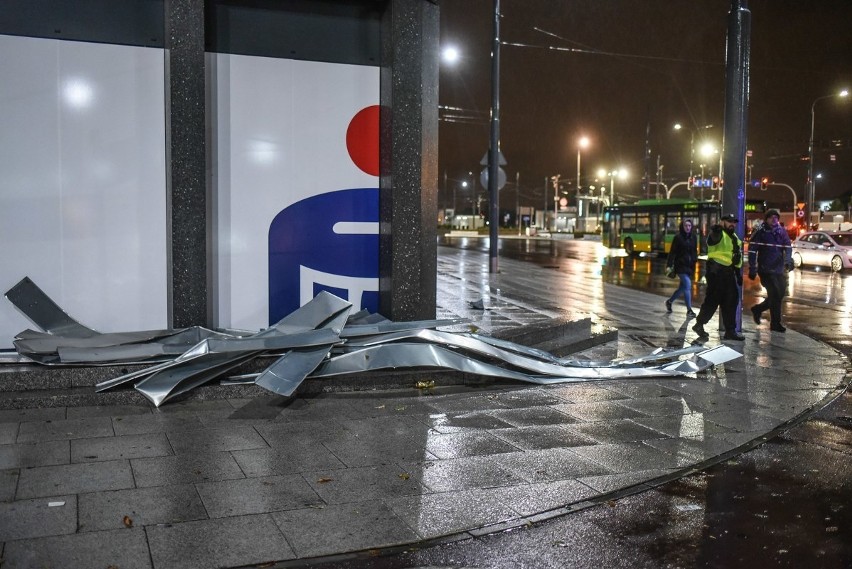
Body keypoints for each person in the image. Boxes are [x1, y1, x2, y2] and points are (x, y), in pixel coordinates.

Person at [692, 213, 745, 341]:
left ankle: (730, 331)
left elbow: (736, 257)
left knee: (731, 301)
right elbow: (712, 240)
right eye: (729, 221)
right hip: (716, 273)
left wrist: (738, 274)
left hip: (729, 273)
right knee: (712, 301)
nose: (732, 224)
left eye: (734, 222)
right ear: (722, 222)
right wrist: (716, 230)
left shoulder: (734, 237)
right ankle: (699, 324)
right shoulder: (718, 233)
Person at [747, 209, 793, 332]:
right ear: (766, 219)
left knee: (779, 295)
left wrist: (788, 261)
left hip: (779, 269)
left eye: (776, 217)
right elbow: (752, 250)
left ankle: (758, 309)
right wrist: (753, 268)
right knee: (775, 294)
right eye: (771, 217)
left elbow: (788, 246)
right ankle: (775, 324)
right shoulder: (761, 232)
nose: (774, 219)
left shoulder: (781, 231)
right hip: (765, 270)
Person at [665, 218, 698, 317]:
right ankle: (689, 310)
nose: (687, 227)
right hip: (680, 266)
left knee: (682, 288)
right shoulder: (678, 238)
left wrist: (694, 261)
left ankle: (669, 302)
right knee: (687, 285)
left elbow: (694, 251)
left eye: (689, 226)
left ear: (691, 227)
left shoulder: (693, 237)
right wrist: (669, 265)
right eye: (685, 226)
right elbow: (672, 252)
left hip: (689, 267)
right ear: (682, 227)